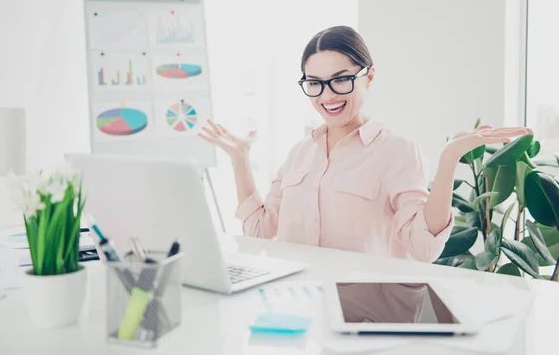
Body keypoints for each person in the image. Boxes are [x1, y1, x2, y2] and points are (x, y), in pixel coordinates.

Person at [199, 25, 532, 262]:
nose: (327, 95)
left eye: (341, 80)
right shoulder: (300, 153)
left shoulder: (396, 150)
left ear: (369, 76)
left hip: (364, 313)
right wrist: (240, 160)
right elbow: (258, 233)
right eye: (314, 83)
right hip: (296, 304)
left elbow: (423, 248)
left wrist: (449, 160)